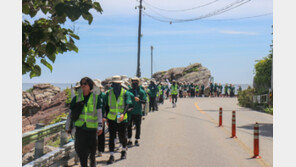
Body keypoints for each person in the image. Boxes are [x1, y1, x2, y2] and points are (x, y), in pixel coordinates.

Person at [68, 77, 103, 167]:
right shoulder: (76, 99)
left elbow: (99, 113)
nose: (83, 86)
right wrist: (68, 126)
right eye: (82, 84)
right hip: (80, 129)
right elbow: (70, 114)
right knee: (82, 153)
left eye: (85, 84)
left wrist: (100, 126)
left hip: (92, 129)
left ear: (90, 85)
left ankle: (92, 163)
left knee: (92, 152)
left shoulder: (96, 98)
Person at [105, 76, 133, 164]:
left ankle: (123, 151)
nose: (115, 86)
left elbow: (128, 104)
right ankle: (111, 155)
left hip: (122, 118)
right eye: (114, 84)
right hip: (112, 118)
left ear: (120, 84)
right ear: (112, 84)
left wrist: (123, 114)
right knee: (111, 137)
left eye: (117, 84)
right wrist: (106, 117)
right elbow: (106, 106)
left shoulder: (126, 93)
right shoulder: (108, 93)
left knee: (122, 136)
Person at [127, 77, 147, 147]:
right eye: (133, 82)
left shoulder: (141, 91)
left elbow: (145, 101)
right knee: (129, 126)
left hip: (138, 112)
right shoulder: (129, 91)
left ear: (138, 83)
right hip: (130, 112)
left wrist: (139, 100)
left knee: (138, 126)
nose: (134, 83)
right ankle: (129, 139)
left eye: (136, 82)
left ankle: (137, 139)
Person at [93, 79, 106, 157]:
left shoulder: (103, 95)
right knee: (93, 134)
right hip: (92, 118)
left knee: (101, 134)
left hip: (101, 117)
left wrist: (104, 117)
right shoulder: (91, 95)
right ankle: (93, 150)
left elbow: (106, 106)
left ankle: (100, 150)